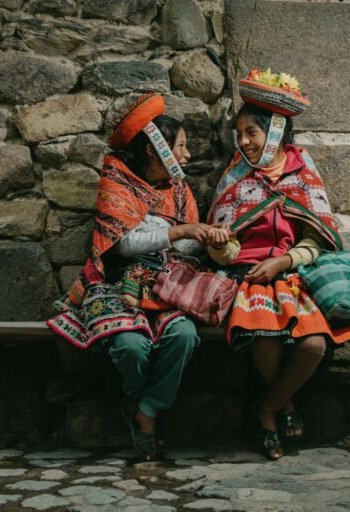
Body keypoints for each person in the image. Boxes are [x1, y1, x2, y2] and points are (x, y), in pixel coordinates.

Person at [207, 69, 350, 460]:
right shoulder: (236, 175)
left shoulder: (303, 172)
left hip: (293, 274)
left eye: (251, 133)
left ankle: (270, 404)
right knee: (265, 336)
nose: (244, 142)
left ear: (275, 131)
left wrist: (283, 260)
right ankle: (278, 413)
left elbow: (319, 236)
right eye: (240, 135)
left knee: (313, 345)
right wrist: (221, 247)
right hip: (246, 277)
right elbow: (225, 241)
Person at [47, 93, 228, 460]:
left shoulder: (180, 192)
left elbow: (188, 249)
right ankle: (138, 398)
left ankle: (145, 410)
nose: (187, 156)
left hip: (168, 286)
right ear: (154, 149)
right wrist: (180, 232)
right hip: (118, 284)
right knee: (130, 347)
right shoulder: (116, 181)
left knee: (183, 335)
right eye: (180, 147)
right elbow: (120, 243)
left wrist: (209, 242)